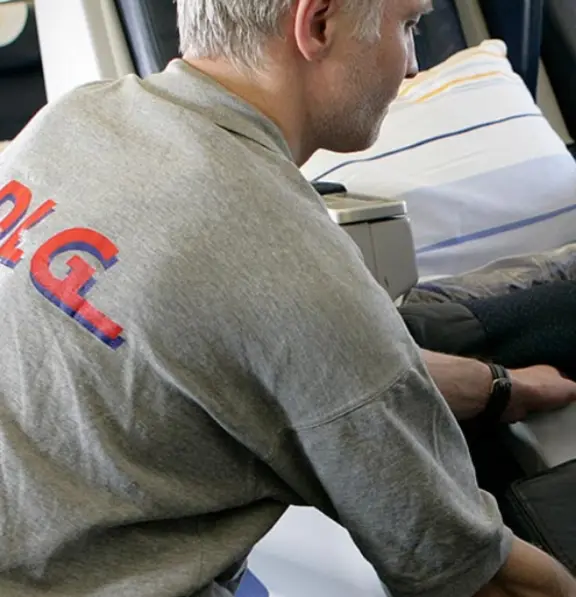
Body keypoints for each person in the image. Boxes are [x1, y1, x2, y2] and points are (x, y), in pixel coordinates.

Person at [0, 1, 575, 596]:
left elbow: (291, 369)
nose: (410, 65)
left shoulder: (69, 120)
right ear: (319, 24)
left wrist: (501, 387)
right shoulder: (287, 263)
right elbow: (480, 580)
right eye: (408, 27)